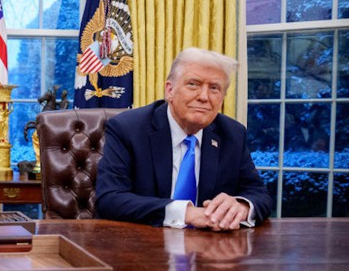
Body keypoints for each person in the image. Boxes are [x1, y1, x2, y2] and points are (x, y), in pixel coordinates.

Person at [96, 47, 273, 231]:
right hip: (140, 244)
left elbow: (259, 194)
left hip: (209, 251)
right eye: (193, 84)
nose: (204, 97)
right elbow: (110, 198)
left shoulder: (233, 134)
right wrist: (186, 213)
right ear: (169, 90)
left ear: (222, 98)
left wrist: (241, 207)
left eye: (214, 88)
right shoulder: (128, 129)